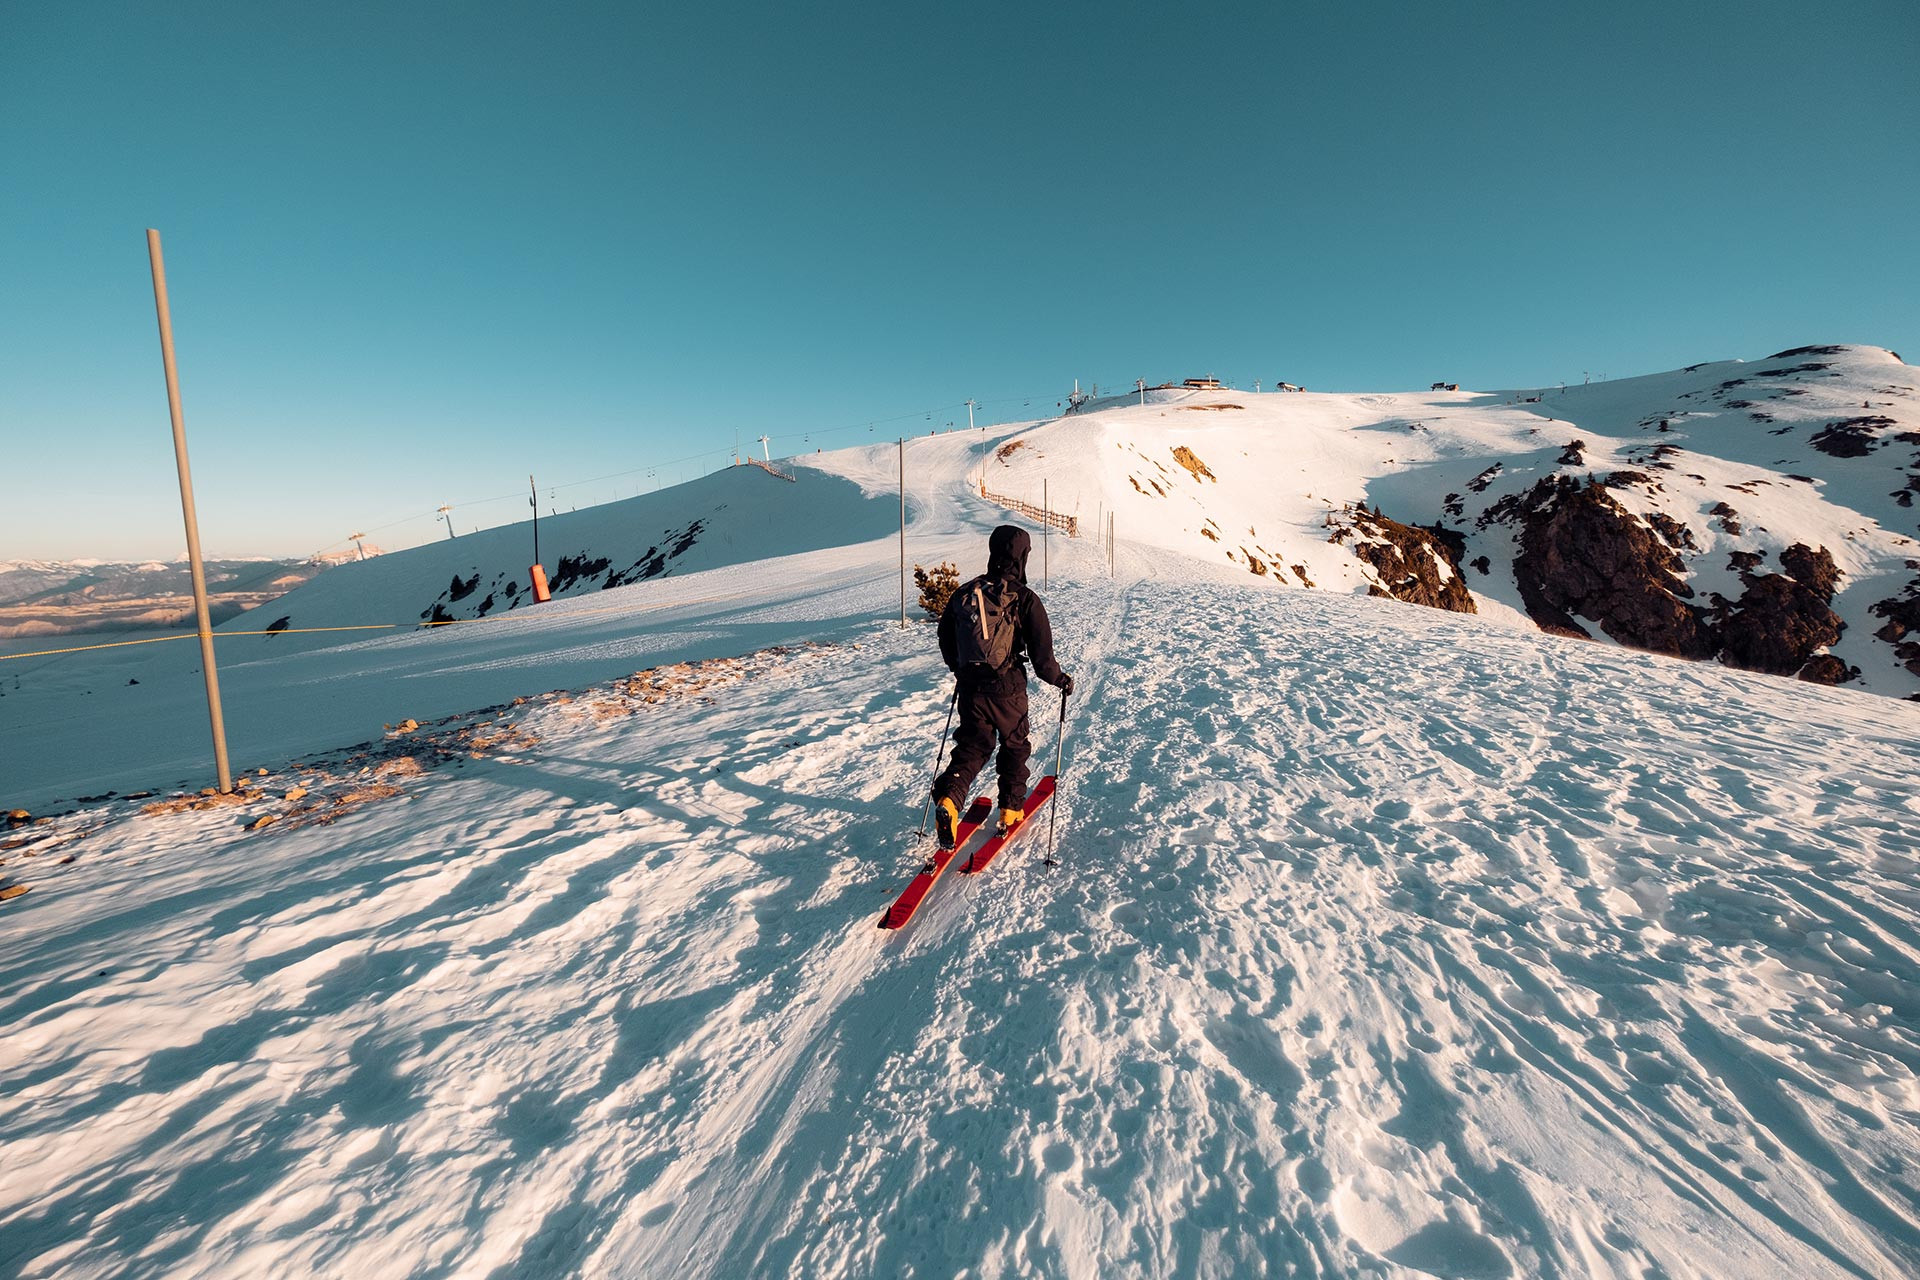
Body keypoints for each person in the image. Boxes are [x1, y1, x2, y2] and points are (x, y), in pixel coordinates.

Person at [933, 525, 1072, 843]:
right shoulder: (1024, 598)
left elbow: (946, 638)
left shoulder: (965, 592)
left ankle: (949, 802)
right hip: (1007, 687)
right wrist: (1060, 680)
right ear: (1022, 557)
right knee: (1014, 745)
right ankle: (1010, 810)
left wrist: (960, 670)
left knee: (973, 745)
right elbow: (1042, 657)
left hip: (971, 686)